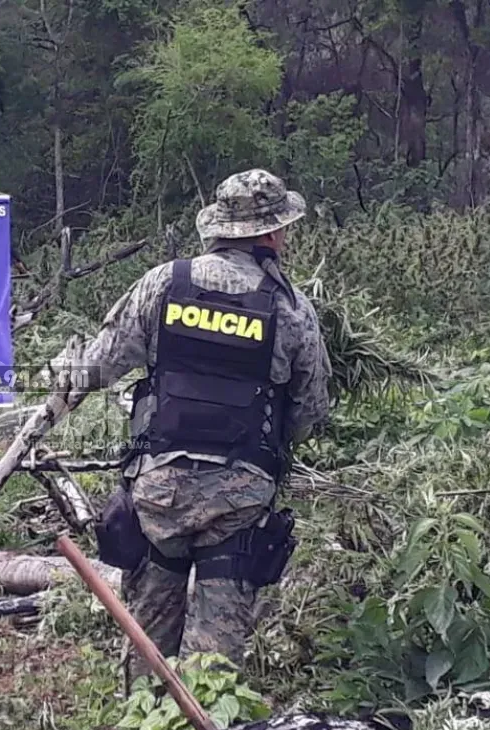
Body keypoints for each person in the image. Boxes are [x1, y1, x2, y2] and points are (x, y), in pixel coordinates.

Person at [46, 168, 331, 689]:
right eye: (283, 229)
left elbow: (100, 365)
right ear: (267, 234)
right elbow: (311, 409)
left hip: (160, 493)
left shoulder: (163, 284)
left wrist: (59, 376)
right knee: (214, 662)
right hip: (240, 499)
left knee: (148, 641)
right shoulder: (291, 308)